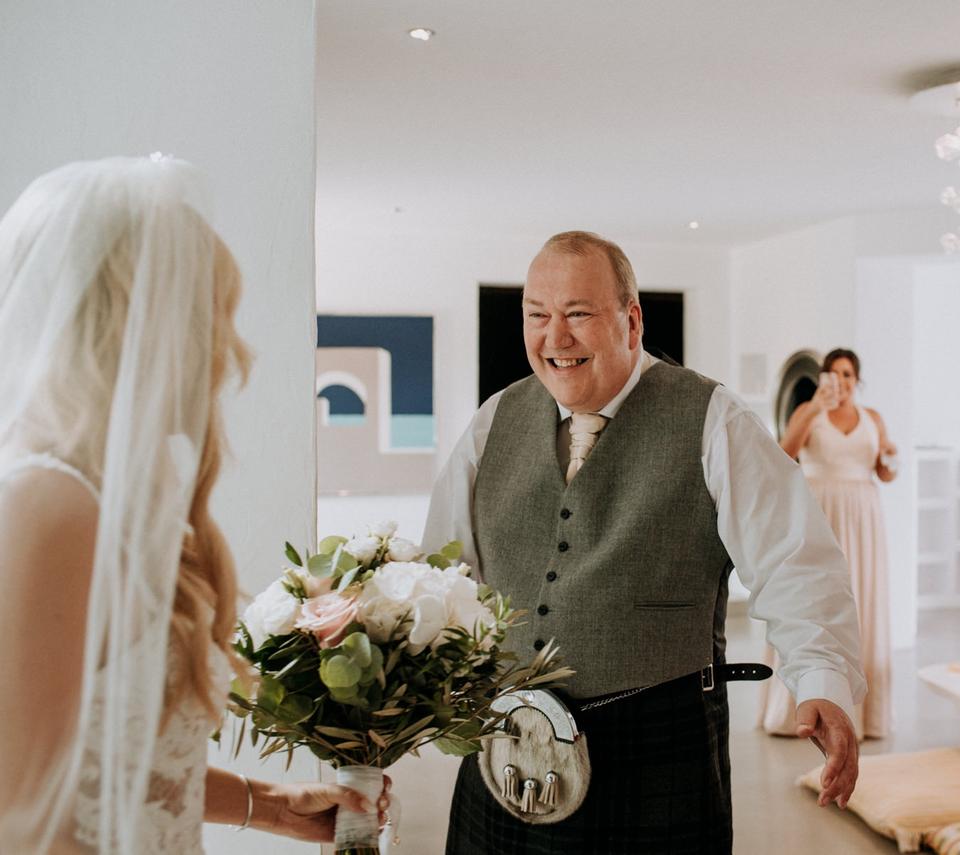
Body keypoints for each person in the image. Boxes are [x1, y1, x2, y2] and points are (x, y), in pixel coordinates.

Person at [424, 231, 864, 853]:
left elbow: (795, 561)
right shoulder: (493, 420)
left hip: (657, 750)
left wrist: (822, 679)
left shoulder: (714, 419)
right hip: (507, 750)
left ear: (631, 320)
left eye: (578, 313)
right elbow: (444, 574)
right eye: (537, 316)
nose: (555, 338)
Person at [0, 157, 386, 853]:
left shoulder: (100, 501)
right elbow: (24, 819)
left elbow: (110, 764)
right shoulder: (46, 506)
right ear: (132, 324)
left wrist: (273, 805)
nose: (230, 353)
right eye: (209, 317)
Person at [759, 348, 896, 739]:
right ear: (823, 379)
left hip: (864, 516)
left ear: (857, 380)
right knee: (814, 599)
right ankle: (799, 706)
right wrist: (815, 408)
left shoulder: (873, 420)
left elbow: (884, 472)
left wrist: (890, 459)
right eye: (834, 374)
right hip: (820, 512)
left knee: (860, 598)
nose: (841, 381)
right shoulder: (809, 412)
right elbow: (783, 456)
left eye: (848, 374)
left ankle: (863, 713)